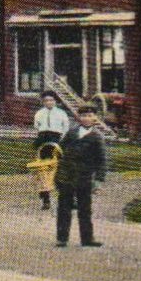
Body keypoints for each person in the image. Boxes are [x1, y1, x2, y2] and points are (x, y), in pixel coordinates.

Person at [54, 103, 107, 247]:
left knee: (85, 209)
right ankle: (62, 238)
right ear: (79, 117)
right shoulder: (71, 133)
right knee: (64, 207)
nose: (87, 118)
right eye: (83, 115)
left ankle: (87, 238)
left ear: (95, 117)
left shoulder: (97, 137)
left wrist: (98, 181)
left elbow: (101, 161)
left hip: (84, 177)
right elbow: (59, 150)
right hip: (67, 176)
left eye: (90, 115)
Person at [32, 90, 71, 210]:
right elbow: (37, 127)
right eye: (46, 100)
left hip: (57, 141)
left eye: (51, 100)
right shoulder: (39, 113)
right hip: (43, 141)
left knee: (59, 169)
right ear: (43, 102)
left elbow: (65, 128)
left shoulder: (61, 113)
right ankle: (45, 199)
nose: (49, 102)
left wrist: (61, 142)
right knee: (42, 170)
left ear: (55, 101)